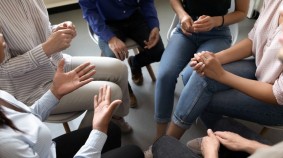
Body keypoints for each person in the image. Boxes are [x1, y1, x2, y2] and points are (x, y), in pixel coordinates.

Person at [0, 33, 144, 158]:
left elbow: (28, 116)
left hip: (47, 150)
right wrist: (98, 130)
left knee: (112, 130)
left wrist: (55, 92)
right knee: (134, 152)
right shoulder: (4, 144)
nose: (2, 36)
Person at [0, 0, 132, 133]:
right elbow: (3, 69)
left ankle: (113, 117)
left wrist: (59, 29)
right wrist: (46, 49)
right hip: (32, 89)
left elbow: (44, 30)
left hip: (58, 64)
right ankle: (83, 143)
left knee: (120, 69)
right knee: (113, 93)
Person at [154, 0, 249, 140]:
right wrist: (182, 15)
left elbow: (242, 13)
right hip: (186, 30)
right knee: (164, 75)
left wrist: (217, 21)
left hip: (217, 34)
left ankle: (185, 125)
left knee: (192, 75)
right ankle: (159, 137)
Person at [78, 0, 165, 108]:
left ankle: (134, 63)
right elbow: (90, 12)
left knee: (158, 51)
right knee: (112, 59)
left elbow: (146, 1)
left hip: (134, 15)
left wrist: (154, 25)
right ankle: (126, 89)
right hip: (107, 23)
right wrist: (110, 38)